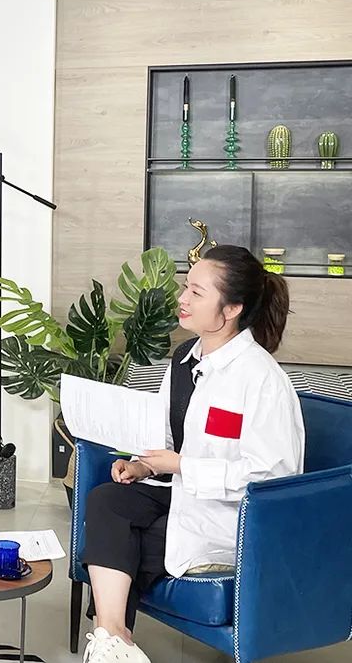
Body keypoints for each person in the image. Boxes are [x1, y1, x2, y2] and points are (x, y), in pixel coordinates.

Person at [80, 245, 305, 663]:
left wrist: (182, 466)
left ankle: (111, 642)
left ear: (231, 309)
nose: (182, 299)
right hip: (181, 491)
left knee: (127, 540)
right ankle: (114, 637)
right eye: (186, 287)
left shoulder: (262, 379)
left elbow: (273, 478)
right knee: (107, 500)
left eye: (197, 293)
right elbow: (171, 438)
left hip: (231, 514)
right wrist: (143, 465)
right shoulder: (184, 358)